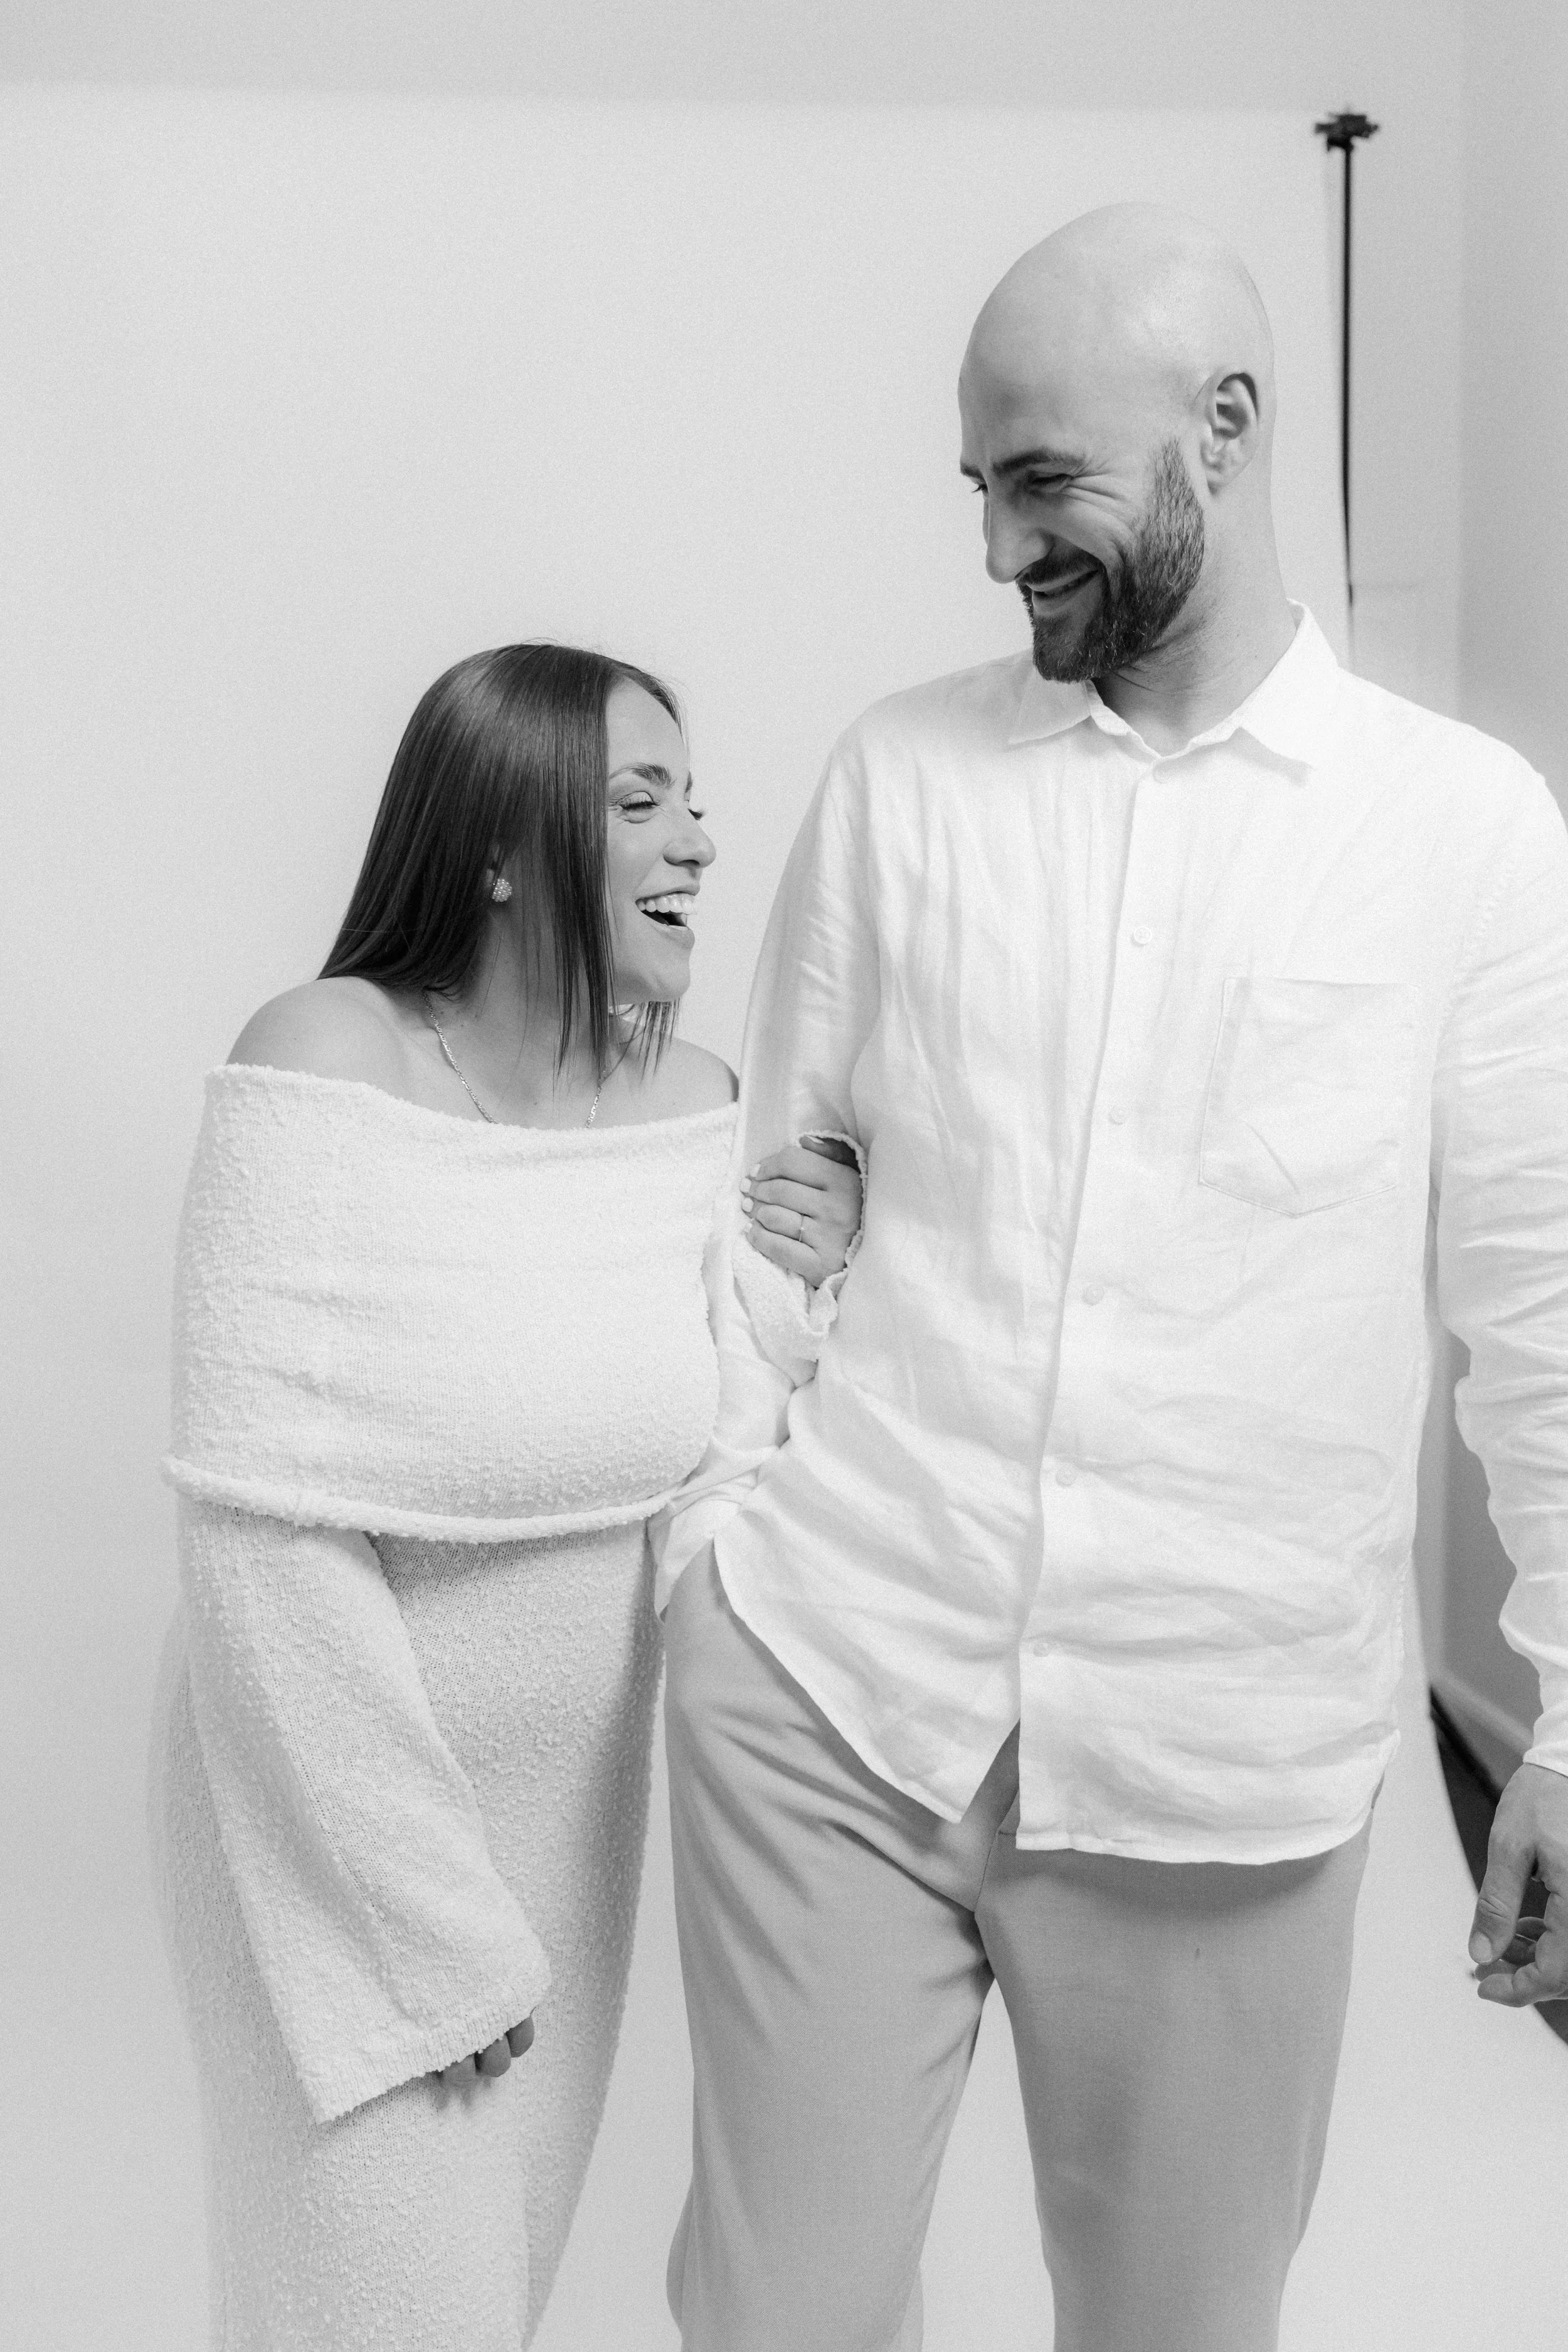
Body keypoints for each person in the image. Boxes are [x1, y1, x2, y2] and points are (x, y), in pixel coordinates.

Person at [655, 204, 1568, 2352]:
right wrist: (711, 1552)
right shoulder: (899, 776)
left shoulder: (1460, 829)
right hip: (834, 1682)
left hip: (1214, 1765)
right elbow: (770, 1206)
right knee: (772, 2324)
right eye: (978, 486)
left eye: (1041, 479)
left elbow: (1535, 1304)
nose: (998, 546)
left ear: (1220, 432)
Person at [147, 641, 863, 2352]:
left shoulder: (693, 1105)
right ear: (493, 843)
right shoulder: (326, 1058)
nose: (697, 841)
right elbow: (259, 1533)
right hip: (324, 1822)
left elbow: (739, 1428)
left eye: (695, 802)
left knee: (484, 2302)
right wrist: (425, 1928)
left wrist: (815, 1261)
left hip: (565, 1831)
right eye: (640, 802)